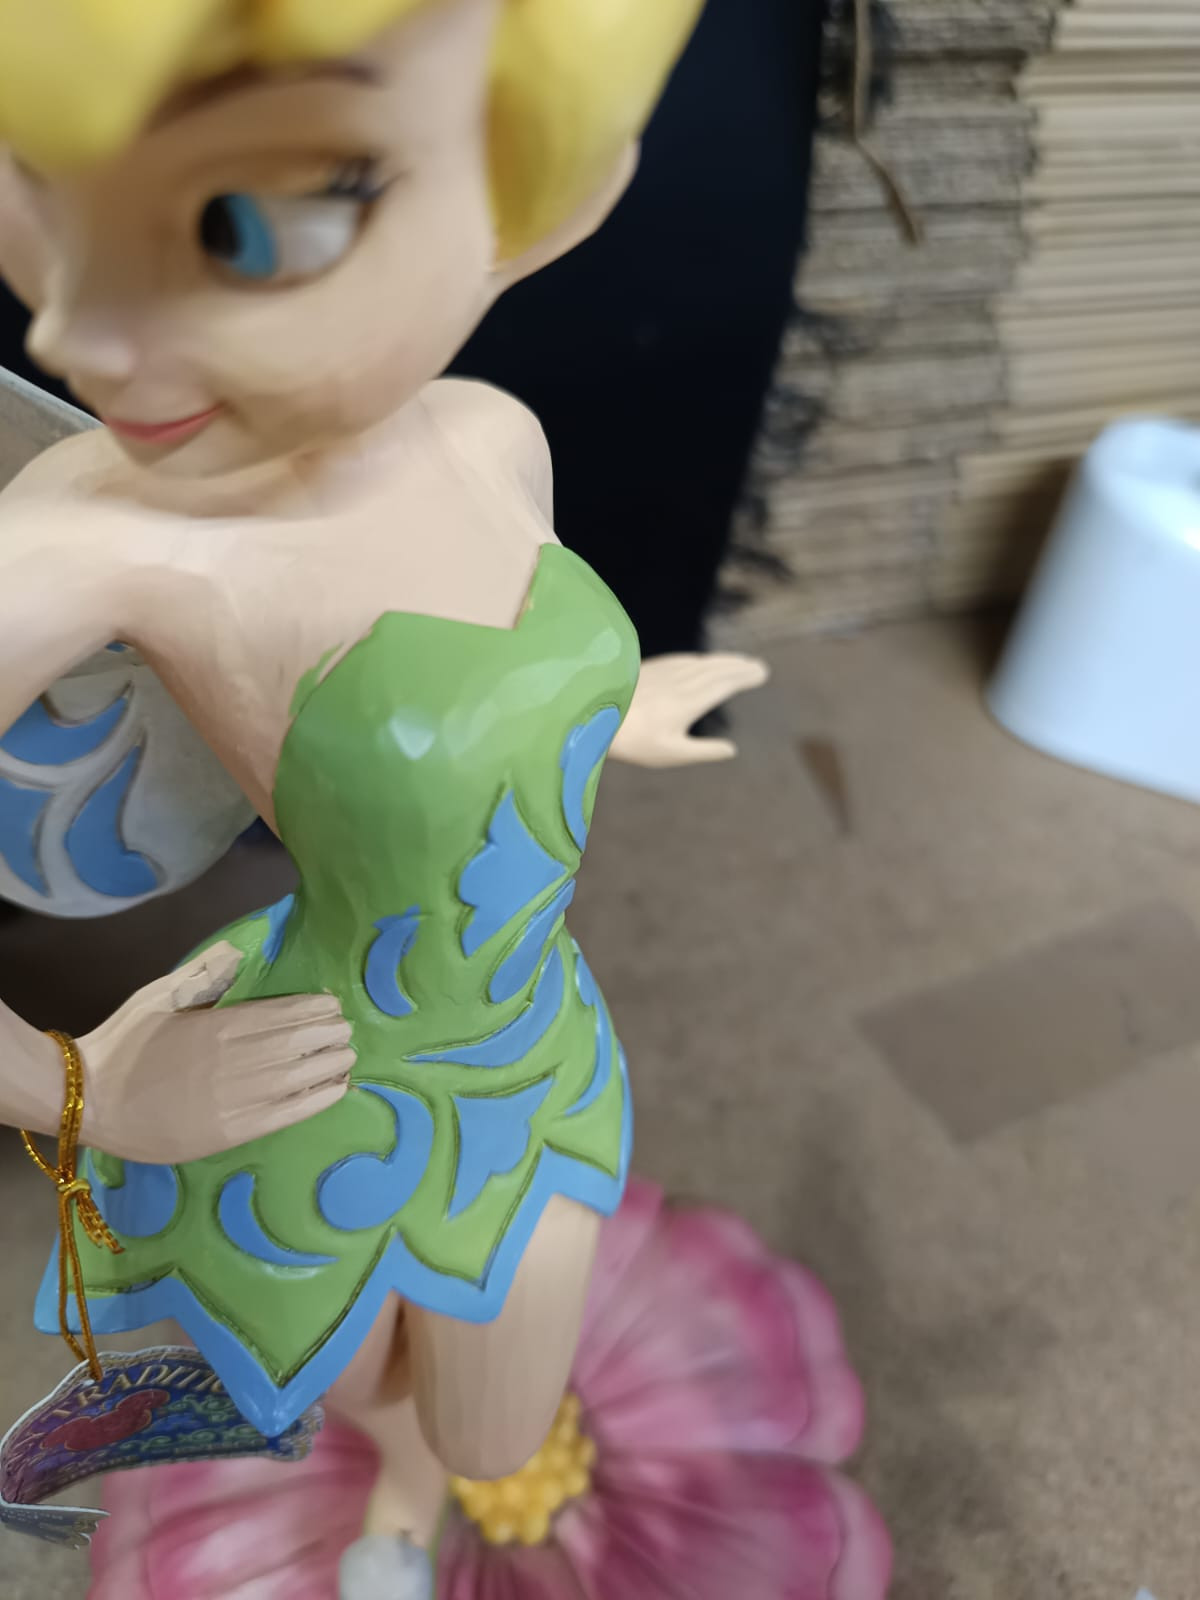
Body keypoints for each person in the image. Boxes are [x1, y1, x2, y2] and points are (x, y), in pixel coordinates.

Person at [0, 0, 766, 1591]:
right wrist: (77, 1089)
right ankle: (395, 1500)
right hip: (321, 1092)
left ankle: (408, 1496)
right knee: (376, 1383)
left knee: (491, 1426)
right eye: (32, 200)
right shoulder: (99, 542)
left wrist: (617, 701)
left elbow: (504, 675)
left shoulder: (493, 437)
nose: (78, 340)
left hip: (540, 1041)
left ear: (540, 192)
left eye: (243, 223)